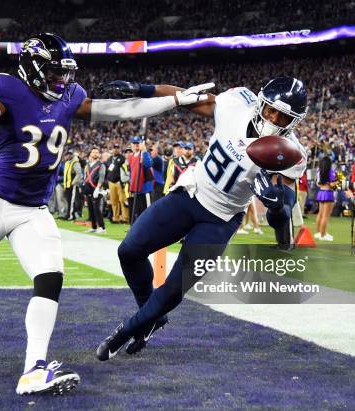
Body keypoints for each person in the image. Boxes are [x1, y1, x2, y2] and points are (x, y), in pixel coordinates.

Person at [0, 33, 209, 396]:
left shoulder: (70, 97)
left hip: (34, 211)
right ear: (32, 70)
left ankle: (34, 368)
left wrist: (175, 101)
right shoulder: (8, 89)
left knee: (50, 278)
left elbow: (121, 110)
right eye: (54, 73)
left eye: (65, 73)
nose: (62, 81)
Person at [95, 76, 307, 360]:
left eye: (283, 117)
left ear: (293, 122)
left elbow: (283, 215)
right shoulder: (235, 104)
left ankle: (126, 330)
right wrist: (142, 89)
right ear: (260, 102)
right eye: (271, 110)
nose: (273, 119)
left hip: (220, 220)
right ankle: (151, 317)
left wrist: (278, 207)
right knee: (129, 250)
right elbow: (186, 97)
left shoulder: (291, 154)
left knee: (174, 289)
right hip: (191, 194)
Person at [127, 136, 153, 223]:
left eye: (137, 143)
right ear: (131, 145)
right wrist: (131, 187)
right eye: (134, 144)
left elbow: (149, 164)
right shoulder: (131, 157)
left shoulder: (144, 154)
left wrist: (144, 151)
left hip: (144, 188)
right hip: (136, 189)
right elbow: (132, 173)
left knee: (147, 213)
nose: (136, 145)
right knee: (138, 213)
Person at [82, 147, 106, 233]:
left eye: (96, 152)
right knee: (91, 209)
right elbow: (85, 176)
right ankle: (93, 227)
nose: (95, 153)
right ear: (91, 154)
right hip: (88, 188)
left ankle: (102, 227)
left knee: (97, 209)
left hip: (96, 189)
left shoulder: (101, 165)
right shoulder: (88, 165)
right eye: (93, 152)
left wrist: (98, 188)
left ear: (99, 155)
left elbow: (101, 177)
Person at [315, 156, 337, 241]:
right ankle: (323, 235)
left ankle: (319, 232)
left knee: (320, 214)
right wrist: (337, 182)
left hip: (321, 192)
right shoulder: (331, 172)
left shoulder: (319, 171)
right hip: (328, 193)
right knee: (325, 216)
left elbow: (318, 184)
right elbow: (332, 185)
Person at [107, 144, 129, 223]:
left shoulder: (122, 158)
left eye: (117, 148)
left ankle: (125, 218)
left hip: (119, 182)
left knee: (123, 201)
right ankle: (115, 218)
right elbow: (107, 170)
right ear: (112, 149)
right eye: (114, 148)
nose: (116, 149)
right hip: (111, 182)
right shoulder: (109, 159)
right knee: (114, 201)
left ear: (119, 149)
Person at [62, 150, 81, 220]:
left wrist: (73, 183)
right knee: (68, 200)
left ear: (70, 155)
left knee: (72, 201)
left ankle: (71, 215)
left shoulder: (75, 163)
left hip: (72, 185)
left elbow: (78, 174)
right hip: (67, 185)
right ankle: (68, 214)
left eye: (67, 155)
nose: (65, 157)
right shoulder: (67, 163)